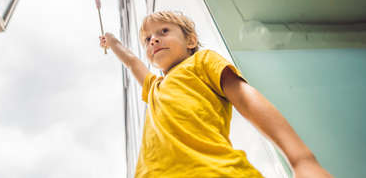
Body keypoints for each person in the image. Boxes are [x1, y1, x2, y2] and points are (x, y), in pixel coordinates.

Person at [100, 11, 332, 178]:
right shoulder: (153, 87)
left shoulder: (201, 61)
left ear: (190, 41)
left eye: (163, 31)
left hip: (214, 171)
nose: (154, 40)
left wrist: (302, 160)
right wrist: (113, 42)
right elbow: (132, 62)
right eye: (147, 39)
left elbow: (244, 97)